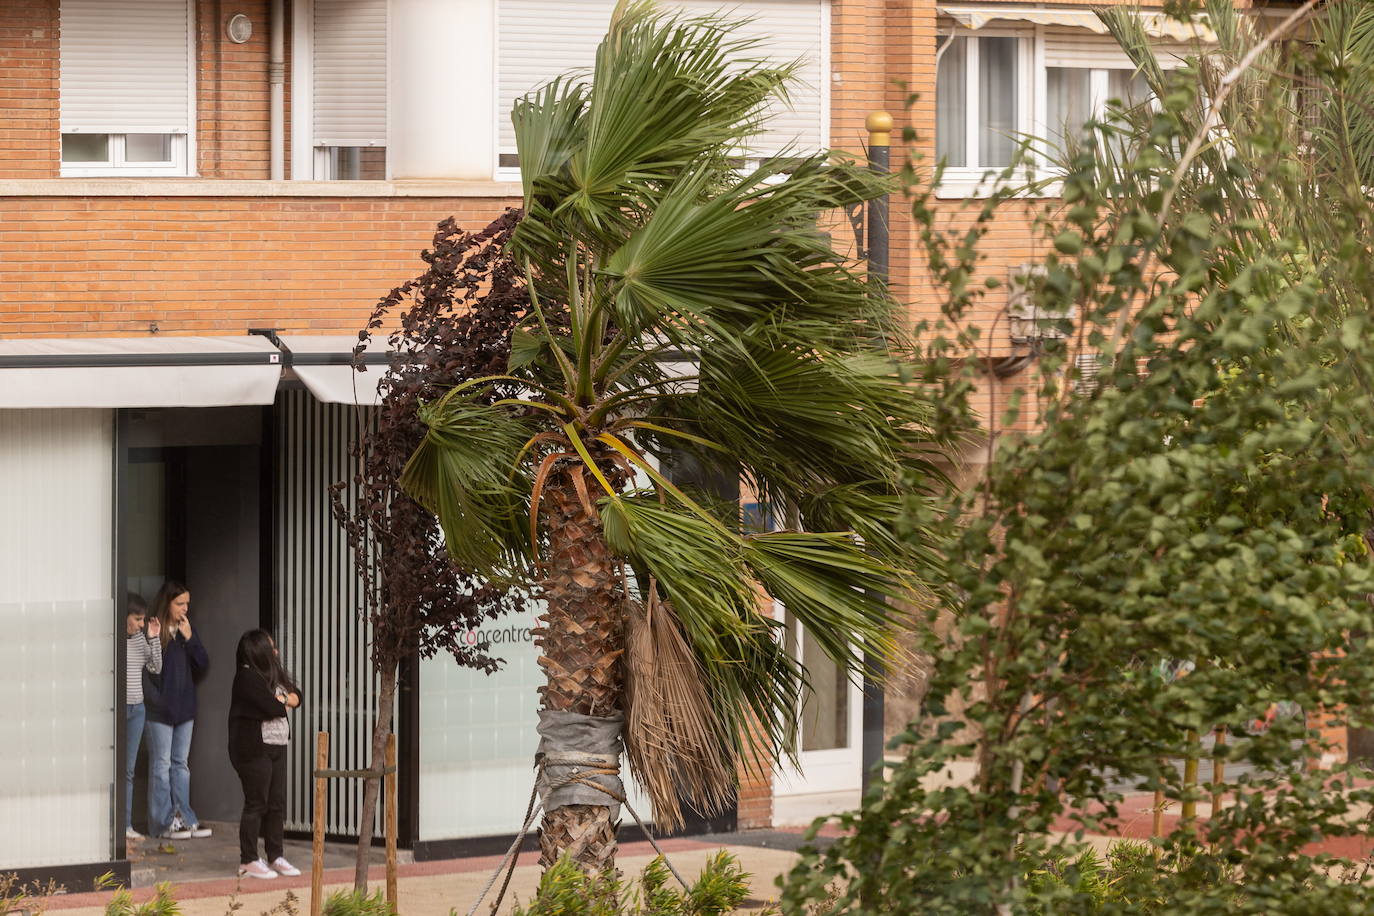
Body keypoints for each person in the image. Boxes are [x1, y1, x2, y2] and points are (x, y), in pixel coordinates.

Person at [229, 629, 303, 879]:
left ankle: (275, 856)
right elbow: (275, 707)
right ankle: (248, 860)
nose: (276, 652)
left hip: (278, 747)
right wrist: (284, 700)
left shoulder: (273, 675)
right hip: (253, 750)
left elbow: (297, 696)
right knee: (256, 803)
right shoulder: (247, 677)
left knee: (276, 804)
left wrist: (284, 698)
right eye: (271, 648)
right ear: (257, 651)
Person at [144, 580, 212, 840]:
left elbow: (202, 663)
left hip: (185, 709)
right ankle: (162, 823)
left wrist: (190, 638)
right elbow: (144, 671)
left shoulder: (186, 630)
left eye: (187, 604)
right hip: (160, 711)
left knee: (180, 765)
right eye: (179, 603)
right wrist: (157, 701)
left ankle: (183, 815)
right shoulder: (154, 630)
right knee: (161, 765)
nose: (185, 609)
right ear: (167, 603)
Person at [124, 593, 162, 841]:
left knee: (127, 771)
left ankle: (125, 826)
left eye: (142, 619)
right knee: (110, 772)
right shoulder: (112, 638)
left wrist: (154, 638)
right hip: (115, 710)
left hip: (137, 710)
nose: (140, 624)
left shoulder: (140, 639)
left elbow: (156, 667)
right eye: (137, 619)